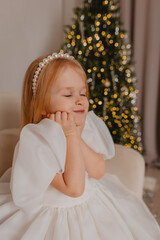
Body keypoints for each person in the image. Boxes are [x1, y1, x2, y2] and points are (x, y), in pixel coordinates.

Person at [0, 52, 160, 240]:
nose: (80, 100)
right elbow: (74, 189)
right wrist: (70, 136)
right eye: (68, 94)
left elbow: (98, 171)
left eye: (83, 92)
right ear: (41, 105)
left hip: (92, 204)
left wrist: (76, 134)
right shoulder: (37, 141)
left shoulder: (82, 126)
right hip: (54, 213)